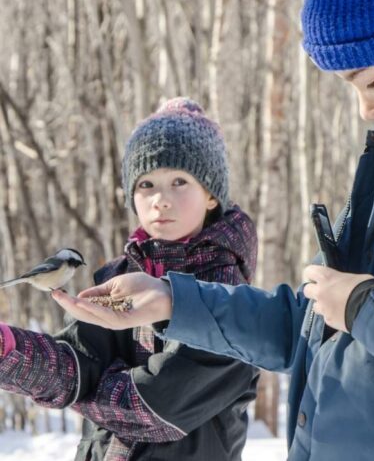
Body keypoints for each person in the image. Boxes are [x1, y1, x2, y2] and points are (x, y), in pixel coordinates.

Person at [53, 0, 374, 459]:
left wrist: (368, 313)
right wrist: (173, 301)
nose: (367, 108)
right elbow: (315, 326)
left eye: (370, 81)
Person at [1, 97, 259, 460]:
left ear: (212, 195)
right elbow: (76, 365)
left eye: (180, 181)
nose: (160, 200)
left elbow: (154, 409)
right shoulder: (118, 277)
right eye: (147, 184)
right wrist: (10, 351)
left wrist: (86, 388)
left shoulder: (229, 298)